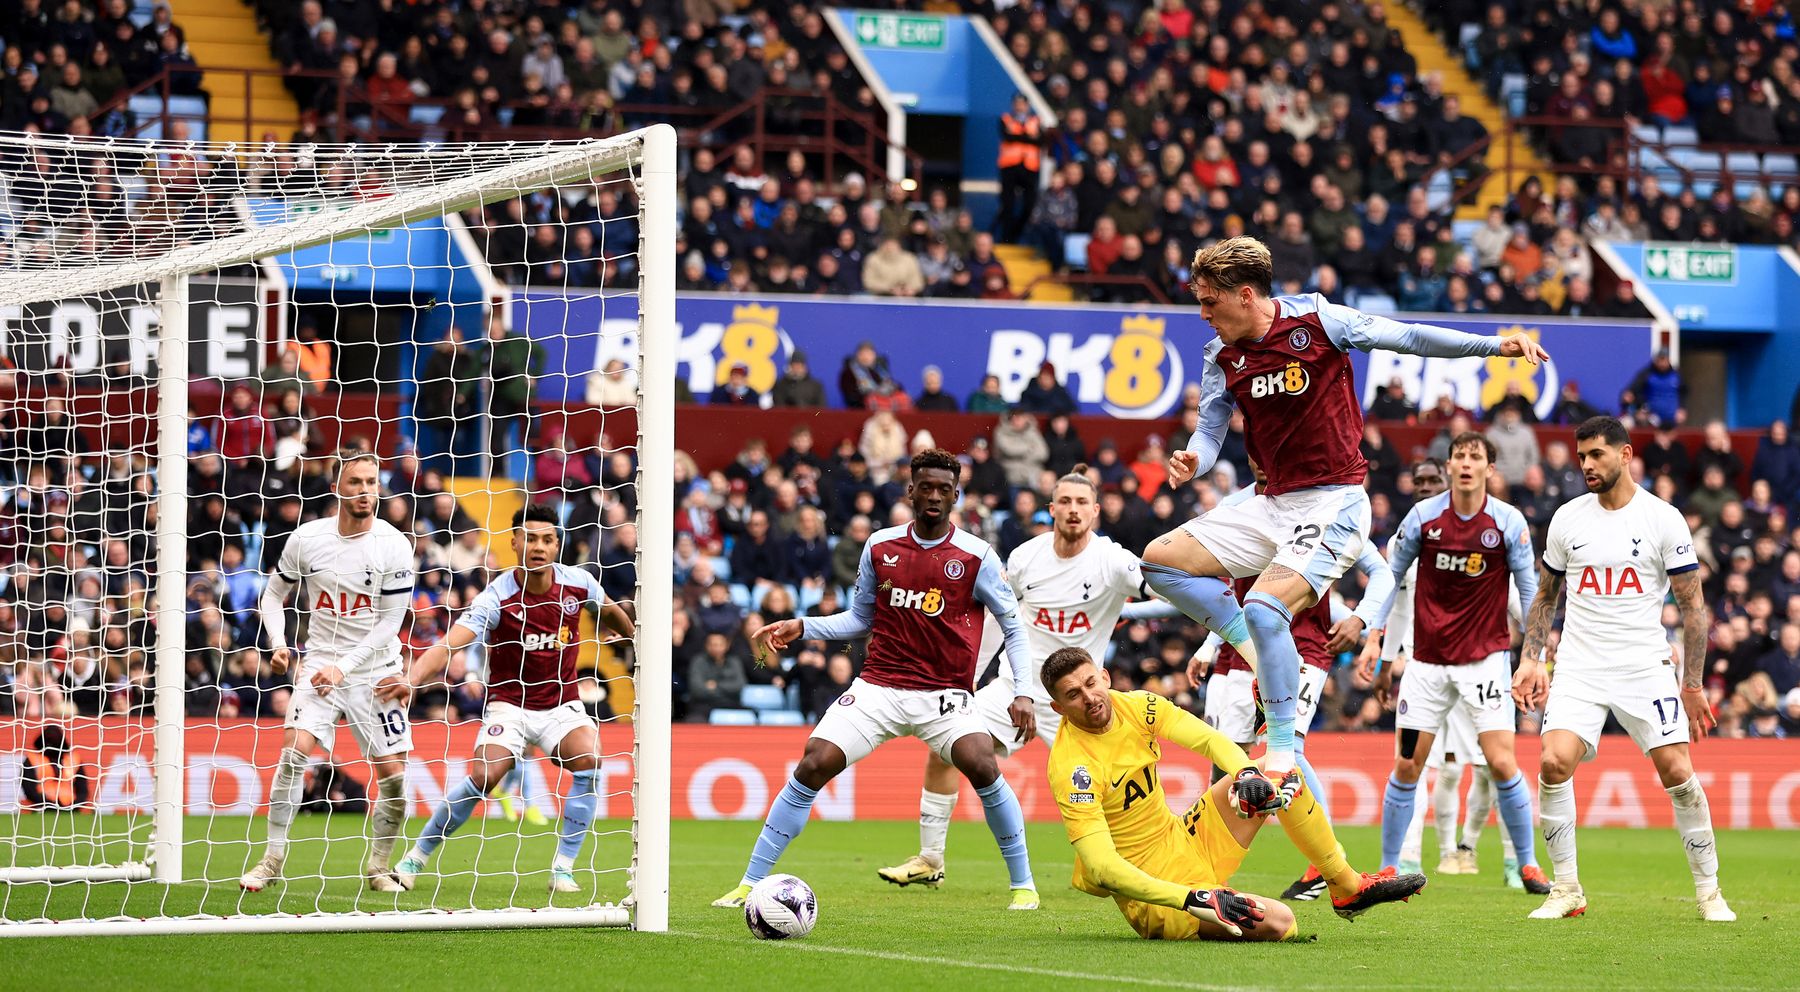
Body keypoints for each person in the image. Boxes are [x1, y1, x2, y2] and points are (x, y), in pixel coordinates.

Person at [1137, 236, 1549, 780]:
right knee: (1157, 561)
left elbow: (1408, 337)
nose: (1203, 313)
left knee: (1265, 608)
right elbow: (1211, 428)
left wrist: (1496, 346)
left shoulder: (1319, 320)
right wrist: (1197, 457)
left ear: (1243, 295)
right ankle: (1243, 642)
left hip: (1334, 501)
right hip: (1271, 502)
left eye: (1209, 301)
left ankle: (1280, 747)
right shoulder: (1221, 355)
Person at [712, 449, 1041, 911]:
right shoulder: (881, 547)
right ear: (909, 490)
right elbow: (859, 619)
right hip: (878, 687)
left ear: (956, 497)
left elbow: (1013, 626)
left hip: (944, 695)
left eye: (943, 490)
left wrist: (1023, 692)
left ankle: (1023, 885)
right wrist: (803, 625)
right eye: (925, 487)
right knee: (813, 762)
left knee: (983, 764)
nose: (933, 496)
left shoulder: (976, 556)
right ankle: (749, 883)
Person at [878, 467, 1182, 891]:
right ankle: (930, 859)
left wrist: (1210, 595)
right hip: (1014, 689)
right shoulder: (1025, 557)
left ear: (1095, 511)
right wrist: (967, 677)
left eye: (1082, 504)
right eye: (1066, 502)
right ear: (1051, 508)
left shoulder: (1112, 560)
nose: (1073, 510)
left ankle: (1146, 864)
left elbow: (1162, 587)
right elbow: (998, 620)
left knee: (1117, 786)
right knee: (943, 746)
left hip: (1077, 701)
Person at [1041, 648, 1427, 941]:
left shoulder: (1139, 705)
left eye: (1091, 683)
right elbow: (1102, 868)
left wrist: (1243, 774)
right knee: (1282, 922)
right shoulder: (1072, 768)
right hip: (1158, 897)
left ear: (1105, 677)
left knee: (1274, 769)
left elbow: (1209, 739)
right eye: (1073, 695)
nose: (1089, 697)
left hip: (1183, 838)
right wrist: (1193, 899)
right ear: (1059, 707)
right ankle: (1214, 898)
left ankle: (1346, 886)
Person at [1512, 417, 1734, 922]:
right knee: (1552, 762)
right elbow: (1546, 596)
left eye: (1596, 455)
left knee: (1678, 772)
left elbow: (1693, 607)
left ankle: (1709, 892)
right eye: (1582, 456)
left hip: (1643, 665)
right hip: (1580, 665)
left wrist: (1693, 684)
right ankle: (1566, 889)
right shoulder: (1568, 518)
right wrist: (1532, 659)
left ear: (1626, 454)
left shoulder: (1663, 518)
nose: (1586, 465)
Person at [389, 504, 634, 893]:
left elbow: (610, 611)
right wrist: (412, 678)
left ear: (557, 544)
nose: (539, 546)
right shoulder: (496, 596)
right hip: (509, 705)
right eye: (531, 538)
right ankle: (415, 857)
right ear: (515, 542)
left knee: (590, 760)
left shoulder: (578, 584)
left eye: (547, 539)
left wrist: (629, 633)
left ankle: (564, 867)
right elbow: (450, 644)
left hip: (562, 706)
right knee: (485, 776)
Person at [1186, 460, 1398, 901]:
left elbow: (1381, 573)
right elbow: (1222, 589)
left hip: (1303, 648)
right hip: (1239, 652)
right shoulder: (1237, 506)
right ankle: (1205, 869)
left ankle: (1324, 864)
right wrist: (1209, 647)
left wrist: (1360, 618)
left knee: (1289, 751)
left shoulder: (1330, 505)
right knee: (1227, 759)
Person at [1356, 433, 1550, 894]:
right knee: (1408, 766)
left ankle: (1526, 865)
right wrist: (1374, 638)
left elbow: (1530, 591)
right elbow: (1389, 578)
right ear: (1449, 466)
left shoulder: (1507, 523)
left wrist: (1534, 657)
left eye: (1475, 457)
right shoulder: (1423, 517)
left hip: (1485, 664)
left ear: (1489, 468)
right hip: (1426, 664)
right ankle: (1387, 869)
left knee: (1502, 764)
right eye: (1459, 456)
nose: (1466, 464)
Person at [241, 452, 418, 894]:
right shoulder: (307, 539)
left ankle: (378, 867)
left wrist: (345, 668)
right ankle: (272, 858)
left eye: (372, 482)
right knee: (292, 756)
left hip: (376, 669)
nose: (365, 491)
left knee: (395, 780)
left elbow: (389, 625)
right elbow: (272, 596)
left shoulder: (394, 544)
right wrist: (279, 644)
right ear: (338, 488)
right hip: (321, 662)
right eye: (355, 482)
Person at [482, 311, 545, 462]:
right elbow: (476, 369)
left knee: (534, 434)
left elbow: (541, 353)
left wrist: (535, 375)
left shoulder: (518, 341)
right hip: (501, 398)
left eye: (496, 329)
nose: (494, 333)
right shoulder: (487, 350)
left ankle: (538, 467)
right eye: (490, 331)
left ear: (502, 327)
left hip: (524, 397)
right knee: (496, 434)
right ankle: (497, 471)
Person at [996, 93, 1043, 244]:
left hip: (1030, 167)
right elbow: (1007, 137)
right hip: (1009, 167)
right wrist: (1029, 138)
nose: (1019, 106)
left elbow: (1041, 141)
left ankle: (1015, 234)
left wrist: (1018, 136)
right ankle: (1006, 238)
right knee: (1008, 204)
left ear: (1028, 106)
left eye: (1023, 103)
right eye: (1017, 103)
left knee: (1030, 205)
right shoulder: (1005, 118)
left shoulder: (1037, 120)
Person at [20, 726, 95, 811]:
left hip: (71, 806)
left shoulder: (73, 759)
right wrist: (48, 803)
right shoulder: (32, 759)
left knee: (89, 810)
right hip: (39, 806)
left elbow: (82, 788)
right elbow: (29, 789)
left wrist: (76, 804)